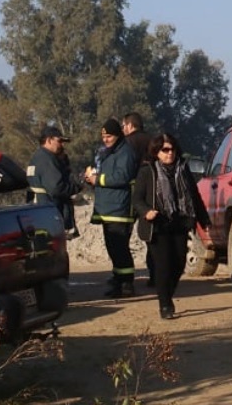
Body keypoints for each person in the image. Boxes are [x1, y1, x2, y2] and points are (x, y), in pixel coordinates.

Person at [132, 132, 210, 320]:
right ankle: (165, 304)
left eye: (172, 149)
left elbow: (195, 196)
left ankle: (167, 293)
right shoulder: (147, 171)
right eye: (165, 150)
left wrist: (204, 220)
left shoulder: (183, 170)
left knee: (179, 263)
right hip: (157, 225)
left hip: (180, 222)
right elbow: (137, 198)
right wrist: (146, 212)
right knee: (163, 266)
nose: (170, 153)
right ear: (157, 152)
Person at [85, 118, 139, 298]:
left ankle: (126, 284)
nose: (106, 140)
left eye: (109, 136)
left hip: (120, 209)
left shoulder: (126, 152)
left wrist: (98, 179)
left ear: (118, 135)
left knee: (120, 248)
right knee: (113, 248)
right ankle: (118, 280)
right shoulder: (109, 152)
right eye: (103, 136)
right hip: (108, 208)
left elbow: (121, 177)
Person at [26, 126, 83, 238]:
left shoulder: (37, 158)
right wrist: (78, 185)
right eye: (59, 141)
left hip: (39, 214)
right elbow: (57, 188)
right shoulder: (47, 160)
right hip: (49, 216)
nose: (62, 145)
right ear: (49, 140)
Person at [122, 111, 157, 287]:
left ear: (129, 125)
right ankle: (155, 275)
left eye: (123, 126)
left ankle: (125, 279)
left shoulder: (127, 143)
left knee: (124, 236)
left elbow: (125, 169)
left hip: (131, 195)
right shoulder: (152, 141)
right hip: (151, 194)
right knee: (151, 237)